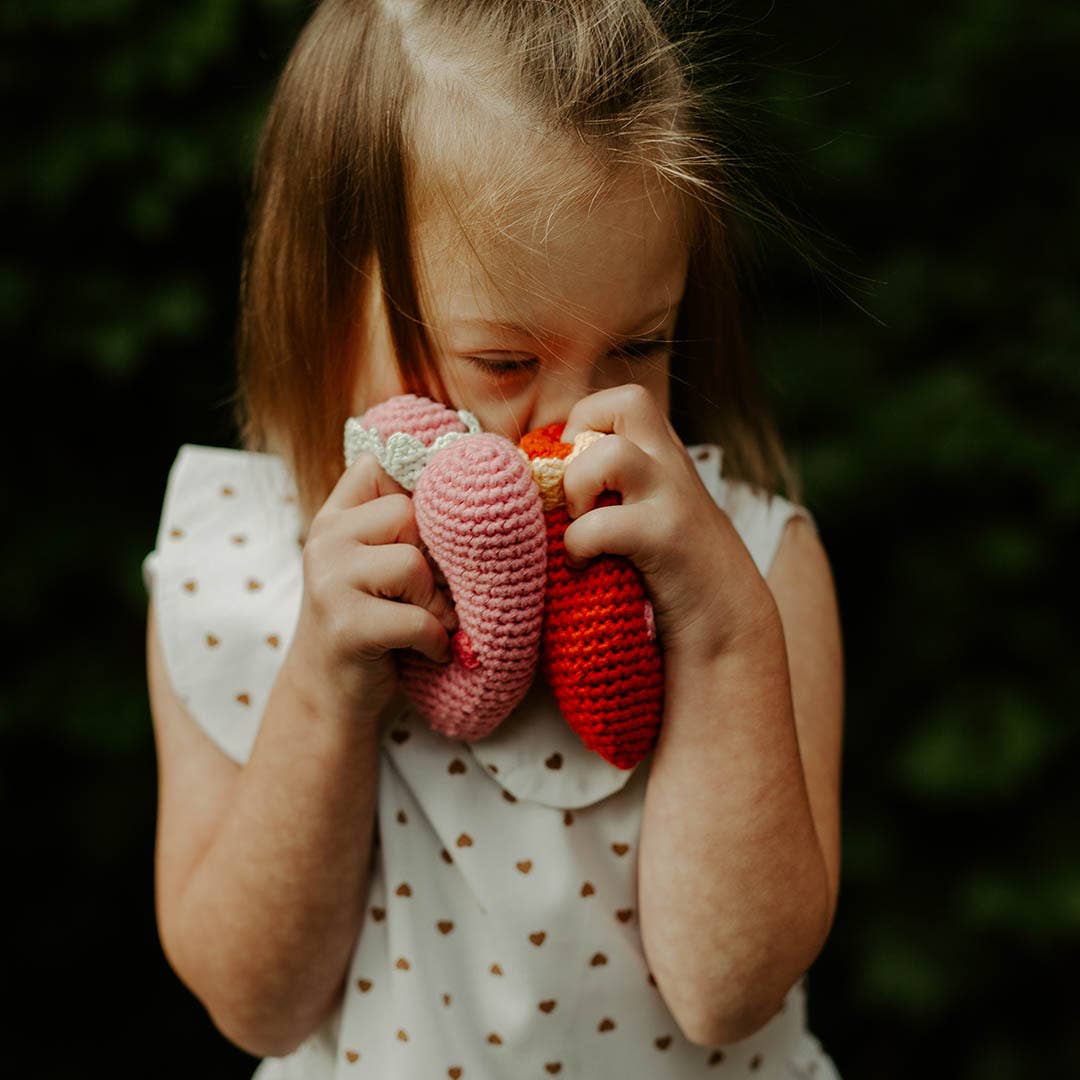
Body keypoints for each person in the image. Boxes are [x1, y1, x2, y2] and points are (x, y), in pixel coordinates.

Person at [142, 1, 845, 1076]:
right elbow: (256, 1006)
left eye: (641, 346)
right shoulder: (237, 577)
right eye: (505, 364)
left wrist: (719, 635)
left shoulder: (747, 562)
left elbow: (728, 990)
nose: (586, 419)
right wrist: (324, 690)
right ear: (324, 308)